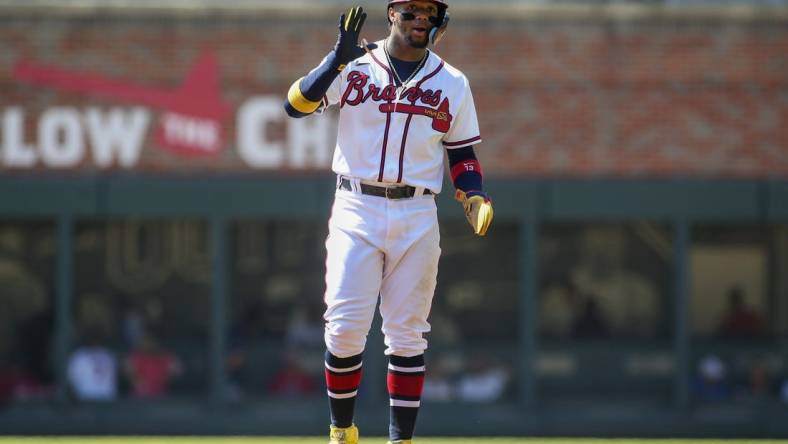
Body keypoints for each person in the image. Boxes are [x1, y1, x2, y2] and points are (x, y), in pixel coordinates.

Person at [283, 2, 493, 443]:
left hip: (417, 210)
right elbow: (295, 105)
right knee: (343, 330)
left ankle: (402, 439)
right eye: (412, 9)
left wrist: (472, 192)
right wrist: (333, 61)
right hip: (356, 203)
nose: (421, 19)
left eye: (429, 12)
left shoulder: (453, 82)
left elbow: (462, 153)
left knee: (408, 335)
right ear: (392, 13)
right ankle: (342, 431)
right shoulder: (356, 62)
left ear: (440, 22)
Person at [124, 333, 182, 399]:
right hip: (139, 397)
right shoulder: (134, 358)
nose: (148, 344)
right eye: (145, 341)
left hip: (162, 396)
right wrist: (142, 387)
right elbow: (131, 375)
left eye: (151, 341)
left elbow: (177, 372)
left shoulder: (166, 357)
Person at [67, 328, 118, 402]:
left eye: (96, 337)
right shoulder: (79, 357)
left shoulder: (108, 356)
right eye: (92, 337)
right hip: (86, 401)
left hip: (107, 401)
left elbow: (113, 380)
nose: (94, 340)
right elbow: (72, 381)